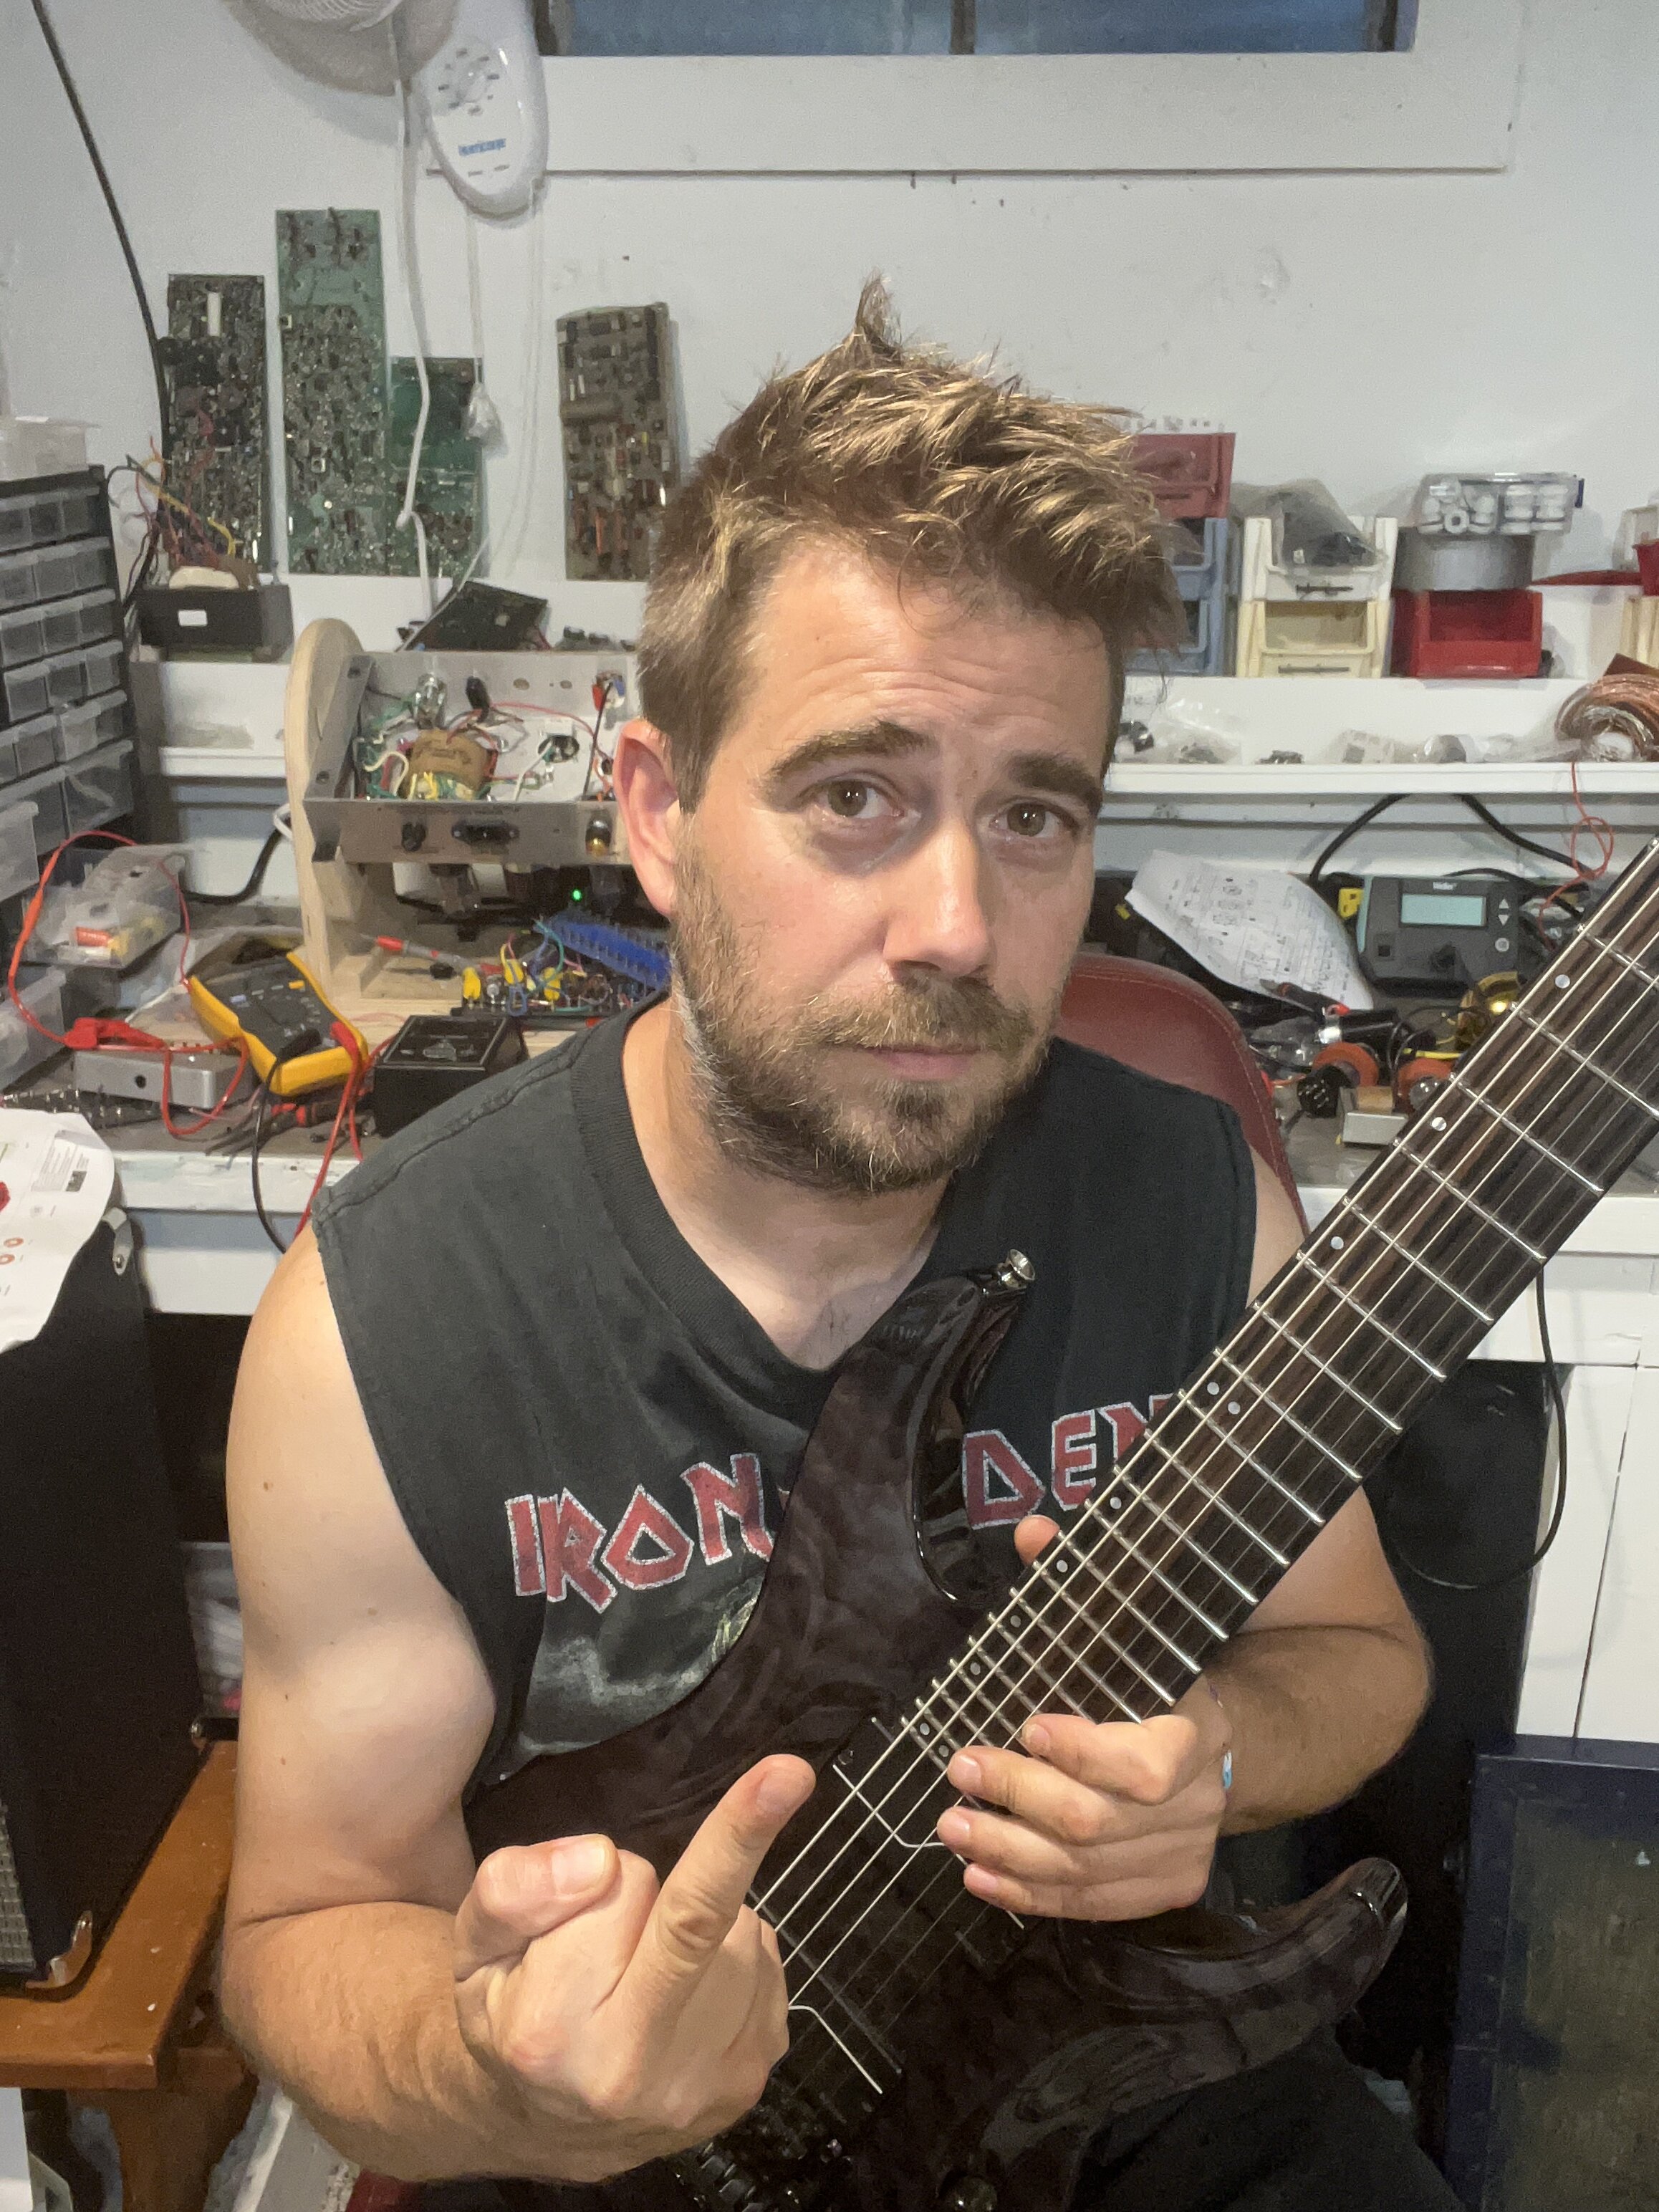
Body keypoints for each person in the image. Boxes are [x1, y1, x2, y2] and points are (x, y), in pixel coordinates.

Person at [221, 287, 1451, 2209]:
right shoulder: (392, 1318)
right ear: (658, 815)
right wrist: (496, 2070)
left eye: (1031, 815)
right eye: (854, 796)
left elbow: (1356, 1654)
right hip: (637, 2151)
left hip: (1097, 2067)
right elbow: (307, 1927)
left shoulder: (1195, 1200)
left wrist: (1215, 1756)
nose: (958, 924)